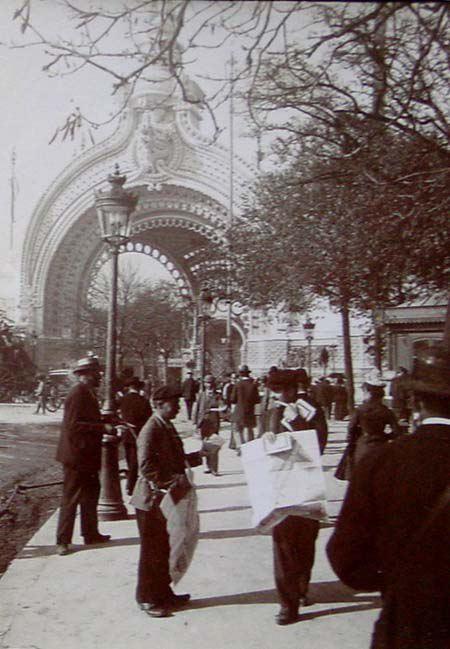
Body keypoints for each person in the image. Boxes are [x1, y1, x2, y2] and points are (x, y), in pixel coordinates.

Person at [327, 342, 450, 649]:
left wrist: (397, 579)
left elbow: (346, 558)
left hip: (406, 622)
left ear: (416, 401)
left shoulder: (380, 462)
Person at [130, 385, 203, 618]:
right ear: (159, 404)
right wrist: (173, 479)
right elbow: (146, 467)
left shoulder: (166, 425)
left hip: (165, 499)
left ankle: (163, 593)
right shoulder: (151, 429)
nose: (179, 406)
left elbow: (175, 460)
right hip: (151, 500)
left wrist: (199, 456)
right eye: (174, 402)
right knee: (152, 551)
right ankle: (147, 599)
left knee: (164, 549)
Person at [264, 368, 328, 625]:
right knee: (283, 544)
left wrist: (298, 424)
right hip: (281, 486)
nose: (277, 396)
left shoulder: (310, 409)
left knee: (306, 539)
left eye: (281, 391)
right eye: (275, 391)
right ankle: (287, 605)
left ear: (292, 390)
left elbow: (319, 444)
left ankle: (301, 588)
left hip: (307, 482)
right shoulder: (272, 412)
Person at [55, 356, 113, 556]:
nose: (99, 376)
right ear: (85, 375)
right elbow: (74, 425)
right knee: (71, 498)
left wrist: (106, 419)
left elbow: (85, 419)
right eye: (96, 373)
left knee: (90, 495)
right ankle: (62, 541)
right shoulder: (77, 393)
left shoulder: (87, 392)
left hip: (86, 454)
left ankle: (90, 533)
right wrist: (102, 427)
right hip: (76, 455)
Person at [347, 370, 401, 469]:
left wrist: (352, 443)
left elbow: (351, 429)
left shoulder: (360, 409)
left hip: (363, 446)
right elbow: (397, 432)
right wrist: (385, 436)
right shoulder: (386, 411)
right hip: (381, 446)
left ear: (368, 392)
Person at [118, 377, 153, 495]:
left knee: (129, 458)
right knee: (136, 461)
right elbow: (149, 418)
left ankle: (130, 482)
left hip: (126, 433)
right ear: (139, 388)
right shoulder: (143, 400)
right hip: (139, 434)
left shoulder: (123, 400)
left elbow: (119, 416)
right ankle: (131, 485)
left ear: (129, 387)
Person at [194, 375, 225, 476]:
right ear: (204, 384)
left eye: (211, 383)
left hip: (214, 423)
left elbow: (223, 407)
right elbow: (197, 409)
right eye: (207, 383)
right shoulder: (201, 395)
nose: (209, 385)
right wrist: (195, 423)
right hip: (203, 423)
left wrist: (214, 409)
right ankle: (208, 466)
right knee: (206, 446)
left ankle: (214, 469)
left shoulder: (218, 395)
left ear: (214, 384)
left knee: (215, 445)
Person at [231, 364, 260, 449]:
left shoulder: (238, 384)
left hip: (239, 411)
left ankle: (240, 447)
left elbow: (233, 399)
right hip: (250, 410)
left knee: (237, 430)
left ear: (240, 374)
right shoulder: (253, 385)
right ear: (248, 373)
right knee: (249, 429)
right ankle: (250, 447)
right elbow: (257, 399)